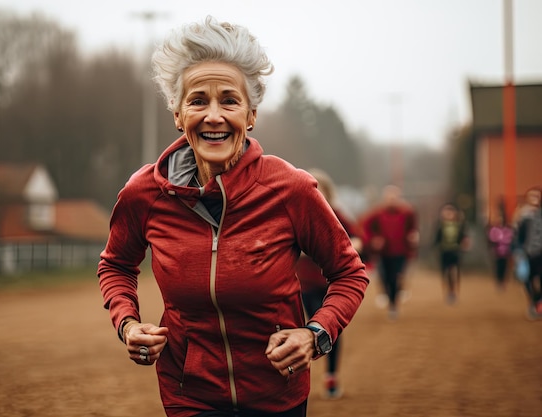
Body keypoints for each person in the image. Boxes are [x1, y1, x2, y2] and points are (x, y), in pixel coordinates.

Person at [97, 16, 370, 417]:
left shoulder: (291, 189)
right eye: (197, 101)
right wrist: (128, 323)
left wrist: (316, 335)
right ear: (177, 114)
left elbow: (349, 273)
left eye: (229, 100)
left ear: (251, 114)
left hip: (278, 395)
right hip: (189, 394)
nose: (213, 115)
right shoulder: (145, 193)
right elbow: (116, 264)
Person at [295, 168, 363, 400]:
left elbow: (355, 239)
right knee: (303, 329)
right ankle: (297, 381)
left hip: (330, 283)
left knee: (329, 331)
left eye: (318, 187)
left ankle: (331, 376)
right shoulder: (295, 213)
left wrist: (345, 250)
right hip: (302, 284)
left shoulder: (335, 214)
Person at [361, 185, 418, 320]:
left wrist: (413, 236)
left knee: (396, 277)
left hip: (401, 251)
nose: (392, 200)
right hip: (383, 252)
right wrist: (373, 239)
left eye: (394, 197)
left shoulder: (407, 212)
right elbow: (365, 227)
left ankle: (393, 305)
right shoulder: (377, 213)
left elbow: (413, 228)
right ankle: (389, 296)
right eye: (389, 198)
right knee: (385, 277)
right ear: (385, 199)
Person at [513, 186, 542, 320]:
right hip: (528, 253)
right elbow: (518, 236)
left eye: (537, 195)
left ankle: (538, 304)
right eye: (532, 196)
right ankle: (533, 302)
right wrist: (518, 252)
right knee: (528, 280)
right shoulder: (523, 216)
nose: (535, 198)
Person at [433, 203, 469, 304]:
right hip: (444, 252)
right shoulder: (440, 225)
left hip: (455, 251)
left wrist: (464, 243)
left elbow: (464, 237)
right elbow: (436, 239)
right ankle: (448, 292)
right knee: (445, 273)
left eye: (450, 212)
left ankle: (453, 292)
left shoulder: (459, 225)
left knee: (454, 272)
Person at [486, 210, 514, 291]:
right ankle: (499, 281)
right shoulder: (493, 229)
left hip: (506, 252)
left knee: (505, 267)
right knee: (498, 267)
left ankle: (503, 282)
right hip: (497, 252)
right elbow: (491, 239)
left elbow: (510, 238)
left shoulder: (507, 229)